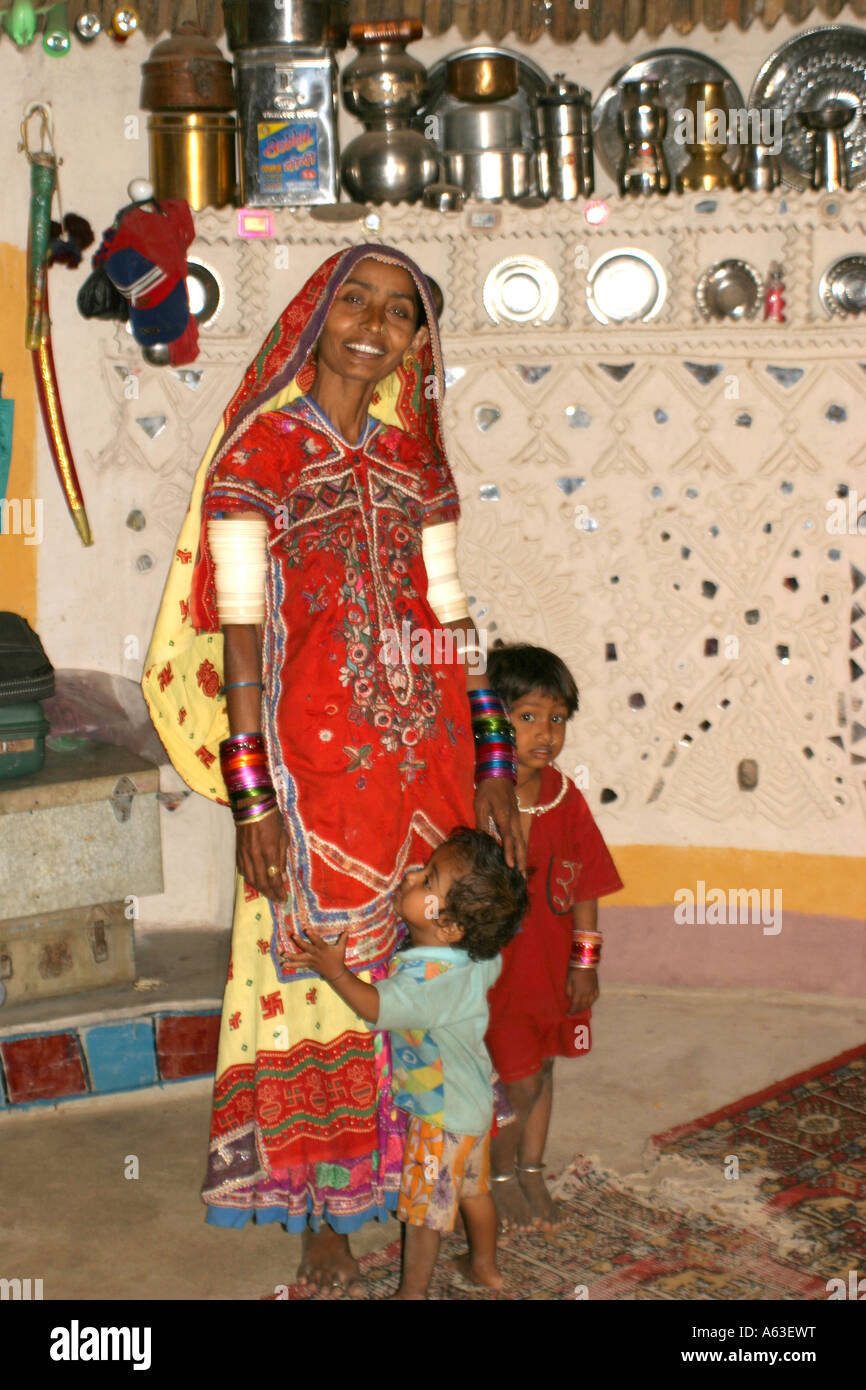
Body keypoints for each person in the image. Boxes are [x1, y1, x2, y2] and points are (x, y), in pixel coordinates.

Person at [141, 245, 524, 1294]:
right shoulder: (256, 454)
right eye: (354, 297)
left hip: (430, 759)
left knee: (429, 972)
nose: (375, 321)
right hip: (311, 773)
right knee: (308, 975)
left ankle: (430, 1181)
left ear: (416, 340)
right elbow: (240, 629)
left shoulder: (416, 463)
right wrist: (253, 792)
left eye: (399, 310)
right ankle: (319, 1209)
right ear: (315, 314)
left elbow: (448, 611)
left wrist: (490, 749)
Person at [291, 827, 528, 1299]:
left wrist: (336, 970)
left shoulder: (427, 985)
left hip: (440, 1119)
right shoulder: (477, 960)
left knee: (424, 1214)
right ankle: (484, 1266)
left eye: (428, 880)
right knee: (473, 1193)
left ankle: (411, 1294)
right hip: (476, 1106)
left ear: (450, 927)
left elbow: (375, 1006)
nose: (413, 874)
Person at [483, 644, 623, 1230]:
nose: (546, 733)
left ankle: (531, 1170)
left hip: (553, 969)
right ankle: (494, 1178)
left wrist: (584, 963)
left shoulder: (566, 800)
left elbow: (587, 883)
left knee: (543, 1069)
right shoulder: (480, 798)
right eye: (528, 716)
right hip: (498, 976)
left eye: (558, 718)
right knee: (513, 1080)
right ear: (492, 720)